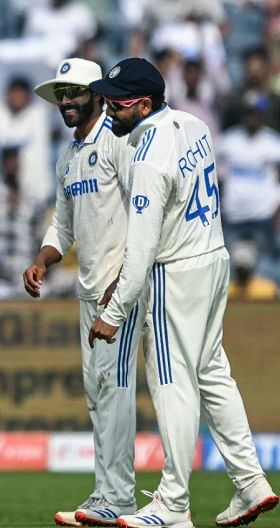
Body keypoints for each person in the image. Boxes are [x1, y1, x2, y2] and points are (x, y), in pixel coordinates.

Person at [88, 57, 279, 528]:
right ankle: (251, 482)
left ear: (144, 103)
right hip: (213, 257)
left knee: (172, 381)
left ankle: (173, 503)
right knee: (213, 373)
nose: (107, 109)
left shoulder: (147, 159)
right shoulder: (194, 124)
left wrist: (113, 314)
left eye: (116, 103)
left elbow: (141, 249)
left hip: (176, 272)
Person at [23, 58, 147, 527]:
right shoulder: (68, 155)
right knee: (98, 393)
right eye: (61, 94)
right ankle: (106, 494)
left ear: (97, 95)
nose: (67, 102)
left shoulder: (116, 141)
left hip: (123, 287)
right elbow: (64, 225)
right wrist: (41, 259)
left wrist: (125, 278)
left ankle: (119, 497)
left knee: (115, 391)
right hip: (89, 290)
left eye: (76, 92)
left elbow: (144, 211)